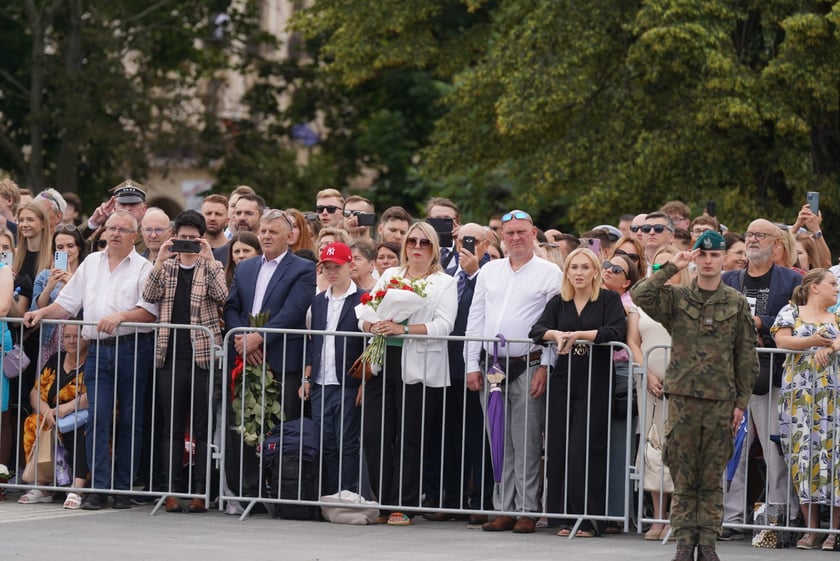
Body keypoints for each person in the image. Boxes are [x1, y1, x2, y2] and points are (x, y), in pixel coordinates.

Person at [631, 230, 758, 561]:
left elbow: (746, 357)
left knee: (712, 476)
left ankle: (709, 544)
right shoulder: (678, 298)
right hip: (683, 400)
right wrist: (672, 266)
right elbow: (640, 294)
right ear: (694, 258)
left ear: (723, 259)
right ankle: (685, 543)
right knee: (684, 475)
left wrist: (740, 403)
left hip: (719, 402)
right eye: (702, 254)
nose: (708, 261)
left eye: (715, 255)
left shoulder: (736, 302)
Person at [22, 210, 159, 510]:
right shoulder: (91, 263)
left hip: (133, 347)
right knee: (97, 417)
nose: (115, 234)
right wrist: (41, 312)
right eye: (111, 228)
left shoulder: (144, 267)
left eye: (122, 230)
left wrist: (121, 316)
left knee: (130, 419)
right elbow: (67, 303)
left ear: (134, 236)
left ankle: (122, 488)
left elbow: (150, 312)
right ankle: (98, 486)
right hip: (98, 348)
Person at [465, 209, 562, 534]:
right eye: (510, 233)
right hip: (491, 365)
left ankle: (527, 509)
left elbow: (553, 324)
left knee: (527, 441)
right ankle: (503, 508)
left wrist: (546, 365)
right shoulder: (489, 271)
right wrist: (471, 364)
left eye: (522, 232)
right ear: (502, 238)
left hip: (529, 363)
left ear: (533, 233)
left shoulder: (550, 273)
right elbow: (476, 318)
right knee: (499, 441)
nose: (516, 238)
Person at [359, 221, 457, 526]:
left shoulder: (444, 282)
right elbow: (365, 309)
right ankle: (384, 501)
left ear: (433, 249)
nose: (416, 247)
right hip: (382, 359)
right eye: (412, 241)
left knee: (411, 436)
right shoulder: (391, 275)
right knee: (374, 432)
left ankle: (404, 503)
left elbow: (444, 325)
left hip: (419, 363)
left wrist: (403, 328)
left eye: (424, 242)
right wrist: (372, 325)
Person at [529, 248, 627, 537]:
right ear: (567, 272)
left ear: (595, 272)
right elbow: (537, 330)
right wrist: (556, 335)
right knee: (560, 447)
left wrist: (580, 336)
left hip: (596, 379)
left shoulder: (608, 299)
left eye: (585, 267)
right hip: (564, 379)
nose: (579, 272)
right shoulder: (559, 302)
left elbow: (615, 332)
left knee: (586, 448)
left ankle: (589, 520)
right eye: (574, 267)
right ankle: (565, 517)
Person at [223, 209, 316, 495]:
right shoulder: (246, 268)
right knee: (245, 426)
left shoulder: (303, 268)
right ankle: (247, 491)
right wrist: (242, 338)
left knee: (280, 426)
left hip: (282, 359)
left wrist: (259, 337)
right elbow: (232, 306)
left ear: (290, 236)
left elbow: (293, 311)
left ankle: (279, 490)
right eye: (263, 231)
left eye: (273, 232)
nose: (266, 236)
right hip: (246, 358)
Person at [721, 218, 802, 538]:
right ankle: (731, 518)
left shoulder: (791, 279)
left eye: (760, 235)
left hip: (772, 374)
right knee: (732, 450)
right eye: (750, 235)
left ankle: (782, 518)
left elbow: (799, 318)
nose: (752, 240)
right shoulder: (729, 279)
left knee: (775, 450)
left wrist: (760, 323)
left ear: (776, 243)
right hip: (733, 375)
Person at [142, 210, 228, 514]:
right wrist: (160, 261)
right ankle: (171, 490)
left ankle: (200, 491)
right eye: (183, 238)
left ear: (202, 239)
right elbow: (149, 294)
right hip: (170, 354)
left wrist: (209, 259)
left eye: (193, 239)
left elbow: (222, 296)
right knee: (172, 425)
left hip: (202, 354)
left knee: (202, 426)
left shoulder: (213, 266)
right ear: (174, 237)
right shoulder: (166, 267)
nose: (188, 243)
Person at [423, 222, 493, 525]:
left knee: (478, 436)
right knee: (449, 435)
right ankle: (450, 498)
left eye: (472, 240)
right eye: (460, 239)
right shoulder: (447, 270)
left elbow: (485, 307)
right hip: (446, 363)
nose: (464, 245)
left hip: (475, 364)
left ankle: (481, 501)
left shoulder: (491, 271)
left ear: (486, 243)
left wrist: (474, 272)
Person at [771, 269, 840, 550]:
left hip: (833, 397)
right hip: (799, 398)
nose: (837, 288)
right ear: (814, 287)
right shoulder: (790, 311)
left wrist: (830, 347)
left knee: (835, 458)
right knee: (802, 457)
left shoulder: (837, 316)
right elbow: (782, 341)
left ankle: (834, 530)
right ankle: (811, 529)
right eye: (832, 284)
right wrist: (814, 342)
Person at [626, 245, 689, 540]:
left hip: (683, 385)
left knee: (679, 449)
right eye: (659, 265)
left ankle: (677, 516)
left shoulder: (689, 300)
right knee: (652, 449)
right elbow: (633, 341)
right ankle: (658, 517)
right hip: (650, 384)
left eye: (670, 264)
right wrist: (648, 374)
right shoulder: (640, 303)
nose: (666, 270)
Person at [303, 242, 365, 495]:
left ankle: (347, 492)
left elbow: (369, 345)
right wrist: (307, 378)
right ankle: (329, 493)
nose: (331, 272)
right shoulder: (318, 301)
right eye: (327, 267)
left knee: (347, 442)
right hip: (321, 382)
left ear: (350, 266)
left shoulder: (363, 299)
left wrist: (364, 382)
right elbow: (313, 342)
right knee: (326, 442)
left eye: (336, 267)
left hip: (347, 382)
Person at [18, 323, 89, 508]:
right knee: (33, 421)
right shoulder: (56, 359)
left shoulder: (94, 362)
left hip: (81, 420)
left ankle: (77, 488)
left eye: (77, 336)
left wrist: (67, 408)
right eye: (67, 336)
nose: (72, 341)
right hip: (53, 419)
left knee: (86, 430)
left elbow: (98, 394)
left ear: (87, 337)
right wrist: (47, 411)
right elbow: (35, 392)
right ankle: (42, 486)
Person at [31, 226, 88, 368]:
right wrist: (49, 287)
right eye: (60, 247)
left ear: (79, 247)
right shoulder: (44, 276)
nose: (65, 251)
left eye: (70, 246)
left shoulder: (88, 274)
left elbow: (91, 305)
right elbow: (35, 310)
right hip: (50, 339)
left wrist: (73, 283)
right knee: (47, 380)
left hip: (79, 340)